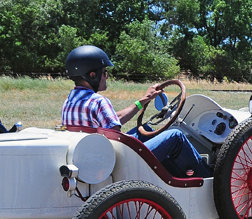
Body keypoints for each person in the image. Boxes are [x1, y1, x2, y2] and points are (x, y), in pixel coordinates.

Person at [61, 45, 209, 179]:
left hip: (92, 158)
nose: (106, 77)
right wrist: (135, 143)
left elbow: (113, 119)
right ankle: (209, 179)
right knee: (176, 136)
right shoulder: (98, 101)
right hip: (116, 162)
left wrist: (144, 100)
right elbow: (116, 138)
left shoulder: (69, 101)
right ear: (92, 75)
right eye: (104, 72)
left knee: (146, 130)